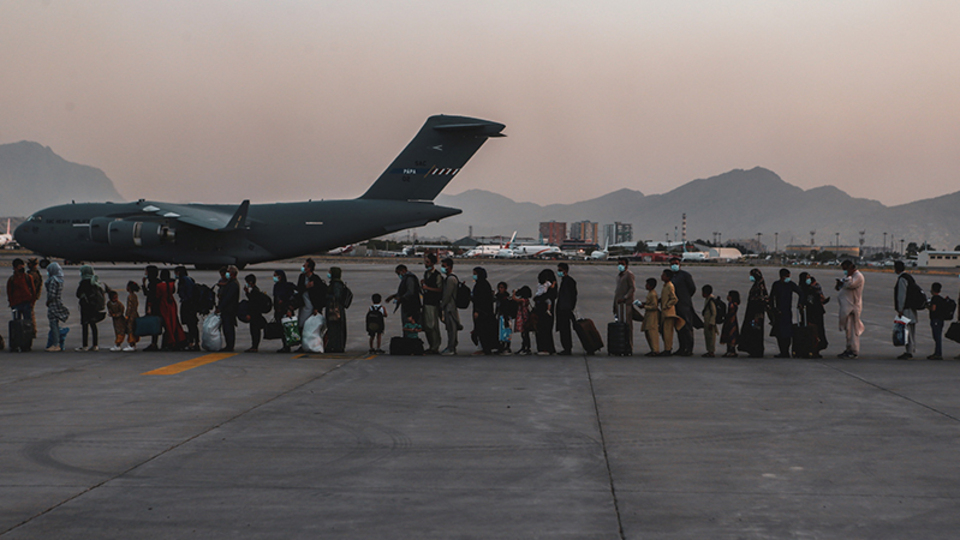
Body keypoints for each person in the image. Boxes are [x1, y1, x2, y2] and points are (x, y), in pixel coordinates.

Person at [769, 268, 801, 358]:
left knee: (787, 333)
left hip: (787, 311)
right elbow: (772, 297)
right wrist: (773, 309)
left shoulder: (790, 285)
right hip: (779, 312)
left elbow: (800, 292)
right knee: (779, 333)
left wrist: (800, 303)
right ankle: (783, 351)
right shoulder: (777, 285)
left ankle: (786, 351)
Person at [836, 260, 865, 359]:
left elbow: (850, 284)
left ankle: (854, 350)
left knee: (853, 330)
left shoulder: (858, 276)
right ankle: (848, 348)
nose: (844, 271)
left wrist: (847, 277)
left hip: (854, 306)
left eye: (845, 269)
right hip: (847, 306)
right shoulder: (848, 277)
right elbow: (842, 285)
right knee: (848, 330)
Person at [668, 257, 697, 356]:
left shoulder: (685, 275)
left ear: (680, 264)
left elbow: (692, 288)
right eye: (672, 264)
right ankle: (682, 347)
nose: (674, 265)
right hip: (675, 305)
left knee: (687, 326)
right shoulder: (671, 276)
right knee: (679, 327)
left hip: (684, 304)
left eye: (676, 263)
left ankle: (689, 348)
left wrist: (685, 298)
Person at [739, 268, 769, 358]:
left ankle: (756, 350)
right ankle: (753, 349)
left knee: (755, 331)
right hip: (753, 313)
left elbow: (762, 300)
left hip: (756, 315)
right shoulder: (757, 285)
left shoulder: (759, 287)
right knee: (752, 331)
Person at [798, 272, 829, 358]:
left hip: (817, 312)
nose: (809, 279)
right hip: (808, 313)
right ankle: (811, 349)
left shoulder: (815, 287)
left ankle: (817, 348)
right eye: (807, 278)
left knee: (819, 331)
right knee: (810, 332)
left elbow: (821, 298)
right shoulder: (802, 289)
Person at [75, 264, 105, 352]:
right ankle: (95, 345)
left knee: (85, 325)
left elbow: (78, 294)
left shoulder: (84, 282)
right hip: (94, 306)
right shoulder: (95, 281)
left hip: (86, 306)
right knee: (93, 325)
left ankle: (85, 345)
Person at [893, 260, 918, 360]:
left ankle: (909, 351)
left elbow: (901, 295)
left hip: (906, 309)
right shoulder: (909, 277)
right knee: (911, 330)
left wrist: (900, 309)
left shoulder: (902, 279)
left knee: (907, 330)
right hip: (911, 308)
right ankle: (911, 349)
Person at [295, 259, 327, 334]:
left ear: (309, 268)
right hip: (303, 305)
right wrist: (306, 287)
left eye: (305, 266)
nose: (303, 267)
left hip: (312, 306)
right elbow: (299, 289)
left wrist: (317, 308)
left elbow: (319, 295)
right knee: (302, 325)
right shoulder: (302, 277)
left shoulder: (315, 279)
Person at [471, 267, 498, 355]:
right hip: (485, 312)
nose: (474, 276)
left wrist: (477, 311)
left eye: (475, 274)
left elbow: (481, 300)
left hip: (482, 312)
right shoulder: (484, 284)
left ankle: (483, 348)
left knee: (482, 330)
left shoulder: (481, 285)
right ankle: (485, 347)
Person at [157, 269, 186, 350]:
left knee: (168, 323)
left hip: (164, 304)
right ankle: (179, 339)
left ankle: (170, 341)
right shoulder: (172, 284)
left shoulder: (160, 285)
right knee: (174, 322)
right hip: (171, 304)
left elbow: (157, 295)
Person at [421, 253, 443, 355]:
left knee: (432, 325)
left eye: (427, 262)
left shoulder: (437, 275)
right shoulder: (426, 274)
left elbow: (440, 289)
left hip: (433, 303)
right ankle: (431, 345)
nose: (426, 264)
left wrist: (427, 288)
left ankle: (435, 346)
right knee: (427, 325)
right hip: (426, 302)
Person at [45, 262, 70, 352]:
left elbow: (51, 294)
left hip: (53, 304)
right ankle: (57, 342)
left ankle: (56, 344)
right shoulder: (60, 279)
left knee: (53, 324)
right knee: (55, 323)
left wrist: (48, 301)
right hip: (58, 302)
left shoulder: (53, 280)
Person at [439, 257, 461, 356]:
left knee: (451, 328)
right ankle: (451, 346)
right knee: (450, 328)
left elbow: (447, 294)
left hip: (450, 307)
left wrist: (442, 305)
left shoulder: (451, 279)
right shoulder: (449, 278)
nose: (442, 268)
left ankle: (451, 347)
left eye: (444, 266)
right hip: (450, 306)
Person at [555, 262, 578, 355]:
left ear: (565, 271)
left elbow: (573, 295)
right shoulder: (565, 281)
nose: (558, 272)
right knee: (563, 329)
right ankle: (566, 347)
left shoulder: (569, 281)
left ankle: (567, 348)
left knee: (565, 329)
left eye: (560, 270)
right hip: (563, 308)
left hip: (565, 309)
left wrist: (570, 307)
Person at [613, 258, 636, 347]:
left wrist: (625, 298)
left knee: (627, 326)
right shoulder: (619, 276)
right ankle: (621, 344)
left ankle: (629, 345)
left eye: (622, 264)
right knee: (620, 326)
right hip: (618, 305)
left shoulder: (629, 275)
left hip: (626, 304)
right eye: (619, 264)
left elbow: (632, 288)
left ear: (626, 265)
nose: (620, 266)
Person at [175, 266, 200, 351]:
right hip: (192, 304)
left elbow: (184, 293)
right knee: (193, 324)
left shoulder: (183, 280)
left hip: (188, 304)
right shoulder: (190, 279)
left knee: (190, 324)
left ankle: (192, 342)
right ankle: (195, 342)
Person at [272, 270, 297, 353]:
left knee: (287, 329)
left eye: (275, 276)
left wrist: (289, 309)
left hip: (286, 310)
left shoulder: (287, 287)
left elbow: (291, 299)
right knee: (282, 329)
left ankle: (288, 346)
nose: (274, 277)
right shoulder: (276, 286)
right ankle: (285, 345)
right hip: (279, 311)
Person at [533, 269, 557, 355]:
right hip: (548, 311)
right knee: (547, 330)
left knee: (542, 330)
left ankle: (544, 348)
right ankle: (549, 348)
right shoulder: (552, 287)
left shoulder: (548, 288)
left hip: (543, 311)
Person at [218, 265, 240, 352]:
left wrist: (220, 307)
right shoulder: (230, 283)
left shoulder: (233, 284)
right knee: (227, 327)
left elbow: (227, 298)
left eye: (228, 272)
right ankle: (229, 345)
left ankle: (230, 345)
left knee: (228, 328)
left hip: (229, 309)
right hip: (228, 309)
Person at [326, 267, 349, 353]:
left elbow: (337, 296)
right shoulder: (336, 283)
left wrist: (327, 296)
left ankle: (336, 346)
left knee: (335, 328)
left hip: (335, 310)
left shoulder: (336, 284)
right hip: (337, 310)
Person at [243, 274, 269, 353]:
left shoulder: (255, 291)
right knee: (255, 330)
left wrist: (249, 314)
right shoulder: (255, 290)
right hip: (256, 314)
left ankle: (254, 346)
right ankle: (254, 346)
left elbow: (253, 303)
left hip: (255, 314)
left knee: (254, 331)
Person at [7, 258, 37, 324]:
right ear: (15, 268)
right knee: (17, 323)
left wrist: (32, 302)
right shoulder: (12, 279)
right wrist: (12, 303)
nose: (22, 268)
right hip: (16, 303)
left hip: (27, 303)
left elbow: (33, 290)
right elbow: (9, 292)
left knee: (28, 322)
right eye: (20, 266)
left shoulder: (28, 277)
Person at [659, 269, 680, 357]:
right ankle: (667, 347)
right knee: (663, 330)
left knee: (668, 331)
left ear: (668, 277)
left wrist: (667, 305)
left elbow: (674, 299)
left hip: (669, 313)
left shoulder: (670, 286)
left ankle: (668, 349)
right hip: (665, 312)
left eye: (663, 275)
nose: (661, 276)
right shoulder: (665, 286)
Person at [142, 265, 161, 351]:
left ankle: (154, 343)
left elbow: (150, 296)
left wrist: (149, 307)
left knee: (154, 324)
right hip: (158, 305)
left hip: (154, 306)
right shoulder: (157, 281)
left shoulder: (152, 283)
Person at [639, 277, 660, 356]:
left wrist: (644, 307)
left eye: (647, 284)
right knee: (648, 332)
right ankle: (652, 349)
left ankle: (655, 350)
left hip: (652, 315)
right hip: (648, 315)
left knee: (652, 333)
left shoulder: (653, 294)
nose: (646, 286)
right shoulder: (650, 293)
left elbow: (654, 306)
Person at [927, 282, 948, 360]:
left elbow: (933, 308)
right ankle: (937, 352)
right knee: (938, 336)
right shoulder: (941, 299)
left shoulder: (935, 299)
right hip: (941, 320)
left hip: (935, 319)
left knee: (937, 337)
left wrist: (928, 307)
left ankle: (938, 353)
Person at [495, 281, 515, 354]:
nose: (500, 289)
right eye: (499, 288)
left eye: (502, 288)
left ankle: (507, 347)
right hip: (500, 316)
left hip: (506, 316)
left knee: (506, 332)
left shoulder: (507, 298)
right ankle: (500, 347)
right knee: (500, 332)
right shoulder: (497, 297)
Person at [513, 286, 533, 355]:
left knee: (524, 333)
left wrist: (514, 293)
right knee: (524, 333)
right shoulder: (526, 299)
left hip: (523, 317)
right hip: (525, 316)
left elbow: (514, 299)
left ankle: (526, 347)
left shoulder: (523, 300)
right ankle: (525, 347)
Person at [720, 290, 741, 357]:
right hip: (731, 321)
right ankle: (730, 350)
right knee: (730, 336)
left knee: (731, 335)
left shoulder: (732, 305)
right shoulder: (734, 304)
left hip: (731, 322)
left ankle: (731, 351)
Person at [27, 258, 43, 339]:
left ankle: (32, 331)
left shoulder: (32, 274)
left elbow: (32, 286)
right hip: (33, 296)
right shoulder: (35, 273)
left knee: (30, 314)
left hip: (30, 296)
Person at [123, 281, 141, 352]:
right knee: (133, 328)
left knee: (130, 329)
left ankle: (131, 344)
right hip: (135, 313)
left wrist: (127, 316)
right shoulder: (135, 296)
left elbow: (129, 307)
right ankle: (133, 343)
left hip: (131, 315)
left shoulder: (130, 296)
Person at [701, 284, 718, 358]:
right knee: (707, 336)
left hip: (710, 322)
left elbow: (714, 313)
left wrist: (711, 322)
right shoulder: (708, 299)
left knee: (711, 337)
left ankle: (711, 351)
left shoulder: (711, 300)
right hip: (707, 321)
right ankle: (709, 350)